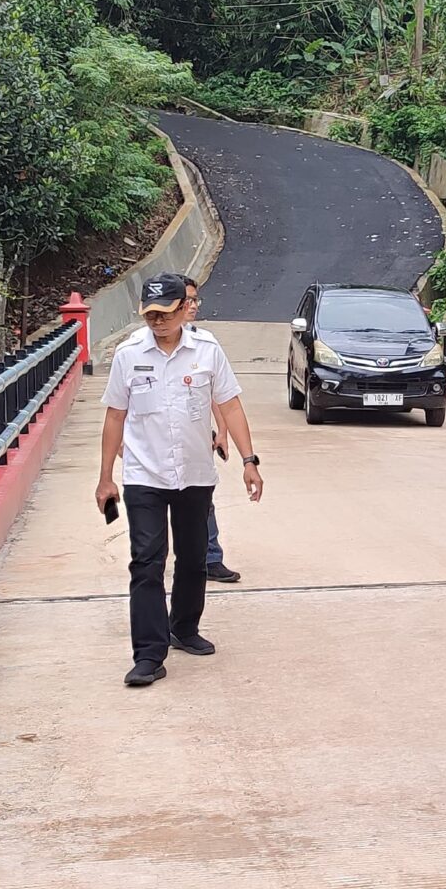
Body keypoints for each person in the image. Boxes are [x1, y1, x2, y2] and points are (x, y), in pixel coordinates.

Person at [96, 273, 264, 686]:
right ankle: (149, 655)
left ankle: (184, 628)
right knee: (146, 562)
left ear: (182, 309)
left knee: (192, 560)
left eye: (164, 313)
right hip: (144, 475)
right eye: (150, 314)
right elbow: (115, 415)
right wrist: (105, 479)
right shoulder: (128, 354)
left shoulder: (206, 352)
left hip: (194, 474)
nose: (157, 321)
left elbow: (231, 404)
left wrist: (249, 460)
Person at [185, 284, 241, 584]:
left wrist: (222, 430)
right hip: (155, 444)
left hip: (196, 438)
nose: (194, 306)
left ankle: (210, 557)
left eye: (196, 300)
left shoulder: (204, 343)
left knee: (203, 498)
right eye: (188, 300)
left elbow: (216, 394)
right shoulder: (140, 346)